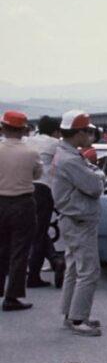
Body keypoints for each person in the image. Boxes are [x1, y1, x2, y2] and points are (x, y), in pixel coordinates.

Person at [52, 111, 104, 335]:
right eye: (88, 131)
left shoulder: (67, 154)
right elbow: (94, 186)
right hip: (79, 219)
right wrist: (99, 175)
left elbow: (90, 175)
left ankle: (69, 314)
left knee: (74, 268)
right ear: (79, 133)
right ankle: (78, 319)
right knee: (89, 271)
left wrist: (94, 173)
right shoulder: (72, 159)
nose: (90, 135)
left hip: (72, 219)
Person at [0, 111, 41, 311]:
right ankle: (12, 295)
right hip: (23, 202)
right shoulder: (31, 152)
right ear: (24, 130)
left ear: (3, 128)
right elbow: (37, 174)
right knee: (19, 251)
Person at [25, 115, 63, 289]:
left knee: (33, 231)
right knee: (39, 233)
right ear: (56, 131)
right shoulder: (56, 145)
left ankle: (53, 260)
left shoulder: (28, 141)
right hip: (44, 189)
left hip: (24, 189)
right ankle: (34, 275)